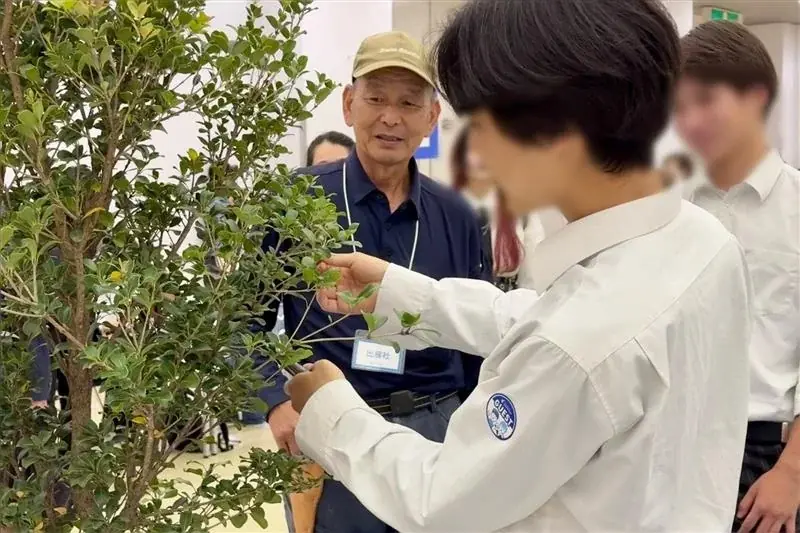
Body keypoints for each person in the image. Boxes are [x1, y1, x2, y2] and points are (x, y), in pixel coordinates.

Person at [285, 0, 753, 531]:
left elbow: (440, 499)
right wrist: (400, 293)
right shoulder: (701, 240)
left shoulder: (578, 346)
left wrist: (329, 412)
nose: (474, 154)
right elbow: (540, 317)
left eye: (482, 127)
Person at [254, 31, 485, 533]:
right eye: (376, 98)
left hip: (436, 432)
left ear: (431, 117)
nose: (390, 116)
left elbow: (476, 341)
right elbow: (239, 322)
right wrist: (275, 402)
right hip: (329, 431)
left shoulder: (458, 215)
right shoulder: (293, 202)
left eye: (408, 102)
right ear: (348, 103)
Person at [676, 21, 800, 533]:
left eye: (706, 100)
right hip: (672, 441)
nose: (690, 120)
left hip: (767, 457)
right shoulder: (665, 208)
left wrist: (791, 473)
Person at [450, 128, 545, 291]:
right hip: (461, 301)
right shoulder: (447, 207)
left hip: (508, 303)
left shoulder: (521, 210)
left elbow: (533, 276)